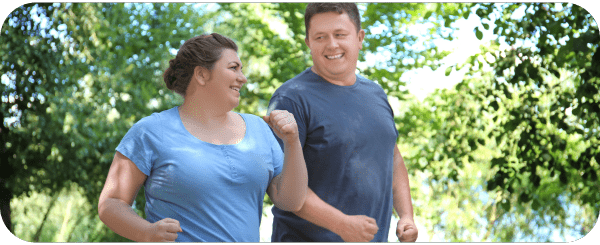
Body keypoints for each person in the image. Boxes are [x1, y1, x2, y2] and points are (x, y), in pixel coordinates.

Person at [97, 33, 308, 242]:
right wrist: (146, 232)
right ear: (202, 75)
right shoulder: (151, 131)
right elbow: (111, 203)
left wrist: (292, 142)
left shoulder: (259, 129)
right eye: (233, 68)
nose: (243, 78)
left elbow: (291, 202)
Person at [267, 3, 418, 242]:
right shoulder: (290, 98)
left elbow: (393, 157)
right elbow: (279, 183)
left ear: (359, 38)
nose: (332, 44)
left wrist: (407, 216)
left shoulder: (376, 94)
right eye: (320, 37)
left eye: (340, 35)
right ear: (309, 43)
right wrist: (340, 224)